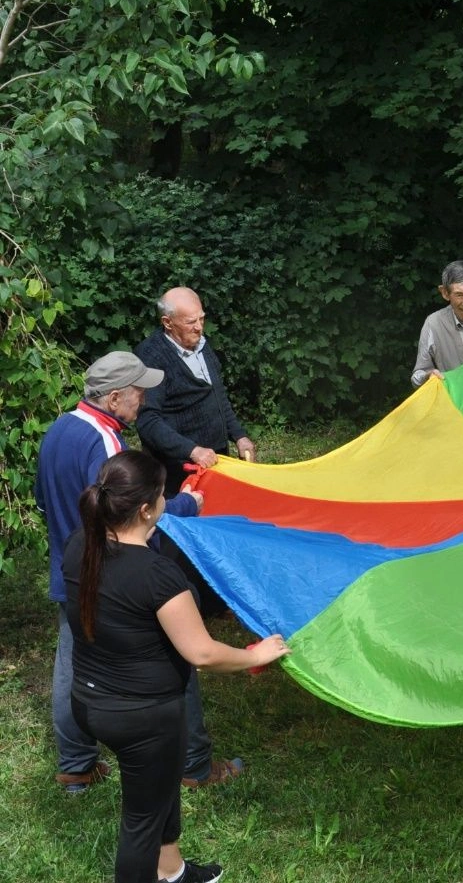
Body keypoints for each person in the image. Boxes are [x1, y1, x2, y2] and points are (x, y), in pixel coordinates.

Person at [65, 451, 290, 883]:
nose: (168, 498)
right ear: (147, 508)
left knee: (159, 787)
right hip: (142, 716)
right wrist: (255, 656)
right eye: (163, 492)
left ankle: (172, 871)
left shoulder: (82, 545)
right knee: (141, 823)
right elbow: (202, 653)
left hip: (92, 700)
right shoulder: (156, 574)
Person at [33, 352, 213, 793]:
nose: (144, 399)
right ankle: (193, 766)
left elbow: (43, 502)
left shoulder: (58, 429)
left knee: (72, 667)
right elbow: (135, 515)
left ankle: (76, 765)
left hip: (72, 569)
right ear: (114, 398)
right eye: (138, 392)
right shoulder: (106, 444)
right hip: (116, 574)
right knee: (176, 657)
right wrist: (188, 502)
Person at [134, 287, 255, 497]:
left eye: (202, 319)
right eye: (191, 322)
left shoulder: (201, 345)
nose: (199, 328)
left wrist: (239, 435)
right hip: (178, 471)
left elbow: (216, 394)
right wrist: (192, 451)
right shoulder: (151, 357)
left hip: (215, 460)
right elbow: (147, 421)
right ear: (167, 322)